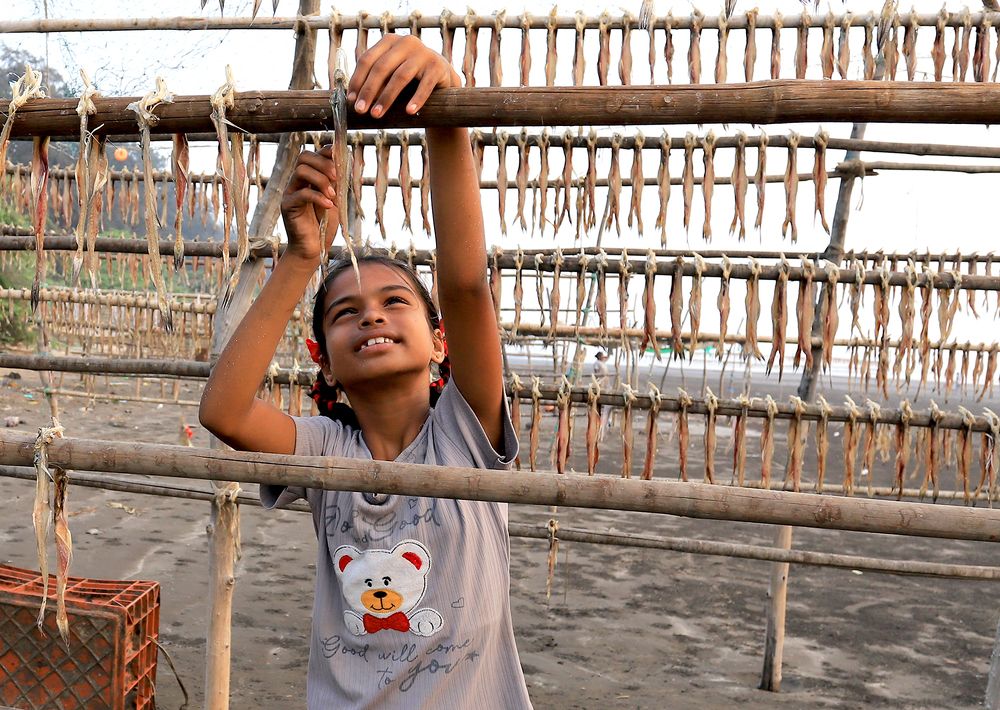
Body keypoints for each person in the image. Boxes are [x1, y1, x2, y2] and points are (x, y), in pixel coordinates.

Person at [199, 34, 532, 709]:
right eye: (345, 312)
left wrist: (446, 117)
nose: (371, 317)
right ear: (322, 353)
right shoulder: (326, 449)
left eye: (394, 302)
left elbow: (467, 284)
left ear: (440, 341)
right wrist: (299, 260)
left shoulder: (464, 433)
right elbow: (224, 414)